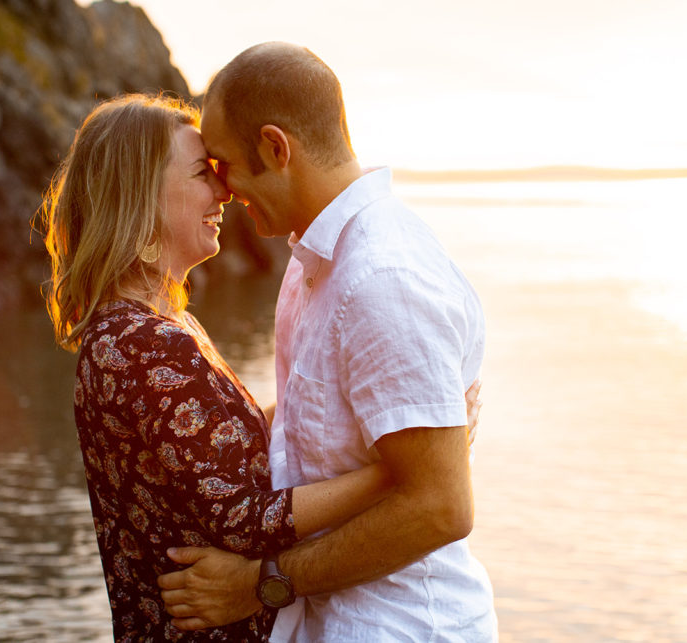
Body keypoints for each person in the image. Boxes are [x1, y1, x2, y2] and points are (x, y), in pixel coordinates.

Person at [39, 94, 462, 641]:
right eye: (202, 173)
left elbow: (212, 450)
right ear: (140, 199)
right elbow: (245, 518)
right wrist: (401, 471)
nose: (224, 192)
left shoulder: (155, 326)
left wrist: (393, 419)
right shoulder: (142, 344)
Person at [158, 43, 498, 641]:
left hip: (402, 627)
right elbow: (307, 425)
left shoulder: (382, 279)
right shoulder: (315, 261)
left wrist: (256, 585)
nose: (224, 189)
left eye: (224, 164)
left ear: (275, 148)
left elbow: (441, 507)